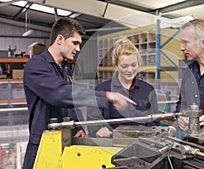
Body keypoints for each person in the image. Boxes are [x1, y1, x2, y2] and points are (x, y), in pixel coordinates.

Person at [22, 18, 134, 169]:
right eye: (75, 43)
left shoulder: (66, 68)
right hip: (43, 144)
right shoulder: (35, 66)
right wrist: (106, 96)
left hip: (67, 141)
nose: (78, 49)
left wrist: (77, 128)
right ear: (60, 39)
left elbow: (70, 102)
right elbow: (60, 94)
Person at [87, 38, 159, 138]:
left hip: (141, 145)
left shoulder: (148, 90)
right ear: (116, 65)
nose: (130, 70)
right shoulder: (102, 90)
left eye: (134, 65)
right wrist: (99, 129)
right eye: (124, 66)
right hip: (111, 145)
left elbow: (154, 121)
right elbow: (92, 120)